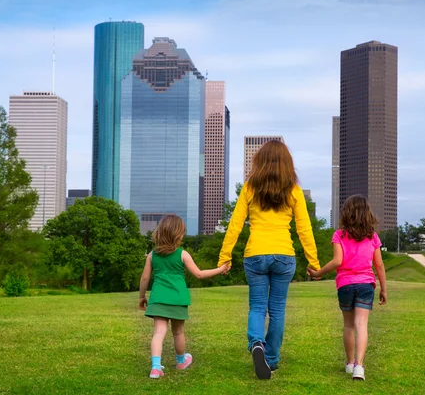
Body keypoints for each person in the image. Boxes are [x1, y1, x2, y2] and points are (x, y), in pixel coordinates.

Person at [218, 140, 320, 380]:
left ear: (260, 162)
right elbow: (304, 229)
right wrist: (313, 262)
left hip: (255, 255)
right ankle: (271, 360)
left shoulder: (250, 187)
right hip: (284, 255)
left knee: (257, 307)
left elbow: (234, 225)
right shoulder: (293, 190)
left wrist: (225, 256)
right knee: (277, 310)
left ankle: (256, 344)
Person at [139, 214, 230, 379]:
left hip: (158, 298)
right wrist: (220, 269)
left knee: (159, 332)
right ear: (178, 235)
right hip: (178, 299)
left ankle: (155, 368)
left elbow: (144, 278)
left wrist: (142, 296)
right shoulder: (183, 254)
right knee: (178, 332)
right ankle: (181, 361)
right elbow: (200, 274)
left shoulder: (152, 255)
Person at [307, 195, 387, 381]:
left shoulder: (339, 235)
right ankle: (360, 366)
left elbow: (337, 261)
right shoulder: (372, 236)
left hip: (345, 285)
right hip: (366, 284)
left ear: (346, 213)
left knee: (349, 325)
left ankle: (350, 363)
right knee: (362, 325)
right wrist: (383, 289)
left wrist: (318, 273)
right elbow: (379, 265)